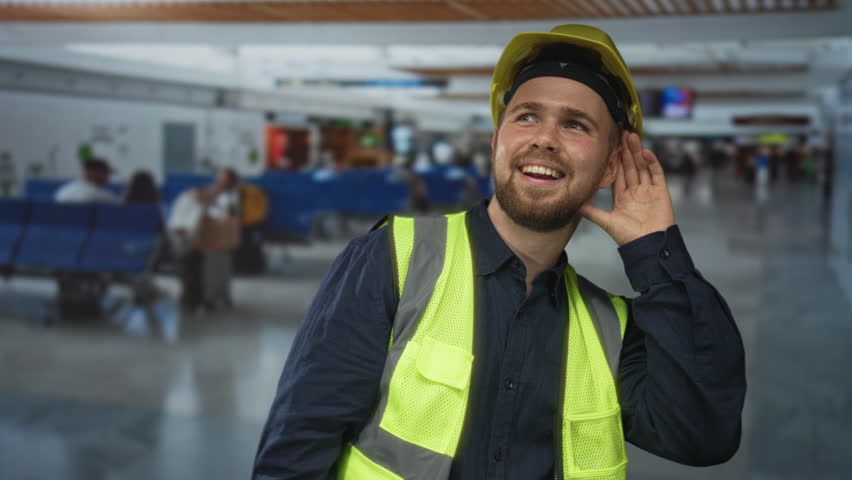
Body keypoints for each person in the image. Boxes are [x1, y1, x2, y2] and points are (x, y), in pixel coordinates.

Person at [253, 24, 745, 479]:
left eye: (576, 125)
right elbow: (297, 449)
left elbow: (703, 434)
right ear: (497, 143)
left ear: (611, 167)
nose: (545, 139)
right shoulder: (395, 260)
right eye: (526, 116)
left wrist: (656, 253)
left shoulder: (610, 330)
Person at [54, 157, 119, 204]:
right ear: (95, 173)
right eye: (106, 173)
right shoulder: (99, 195)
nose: (108, 178)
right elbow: (119, 207)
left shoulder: (64, 191)